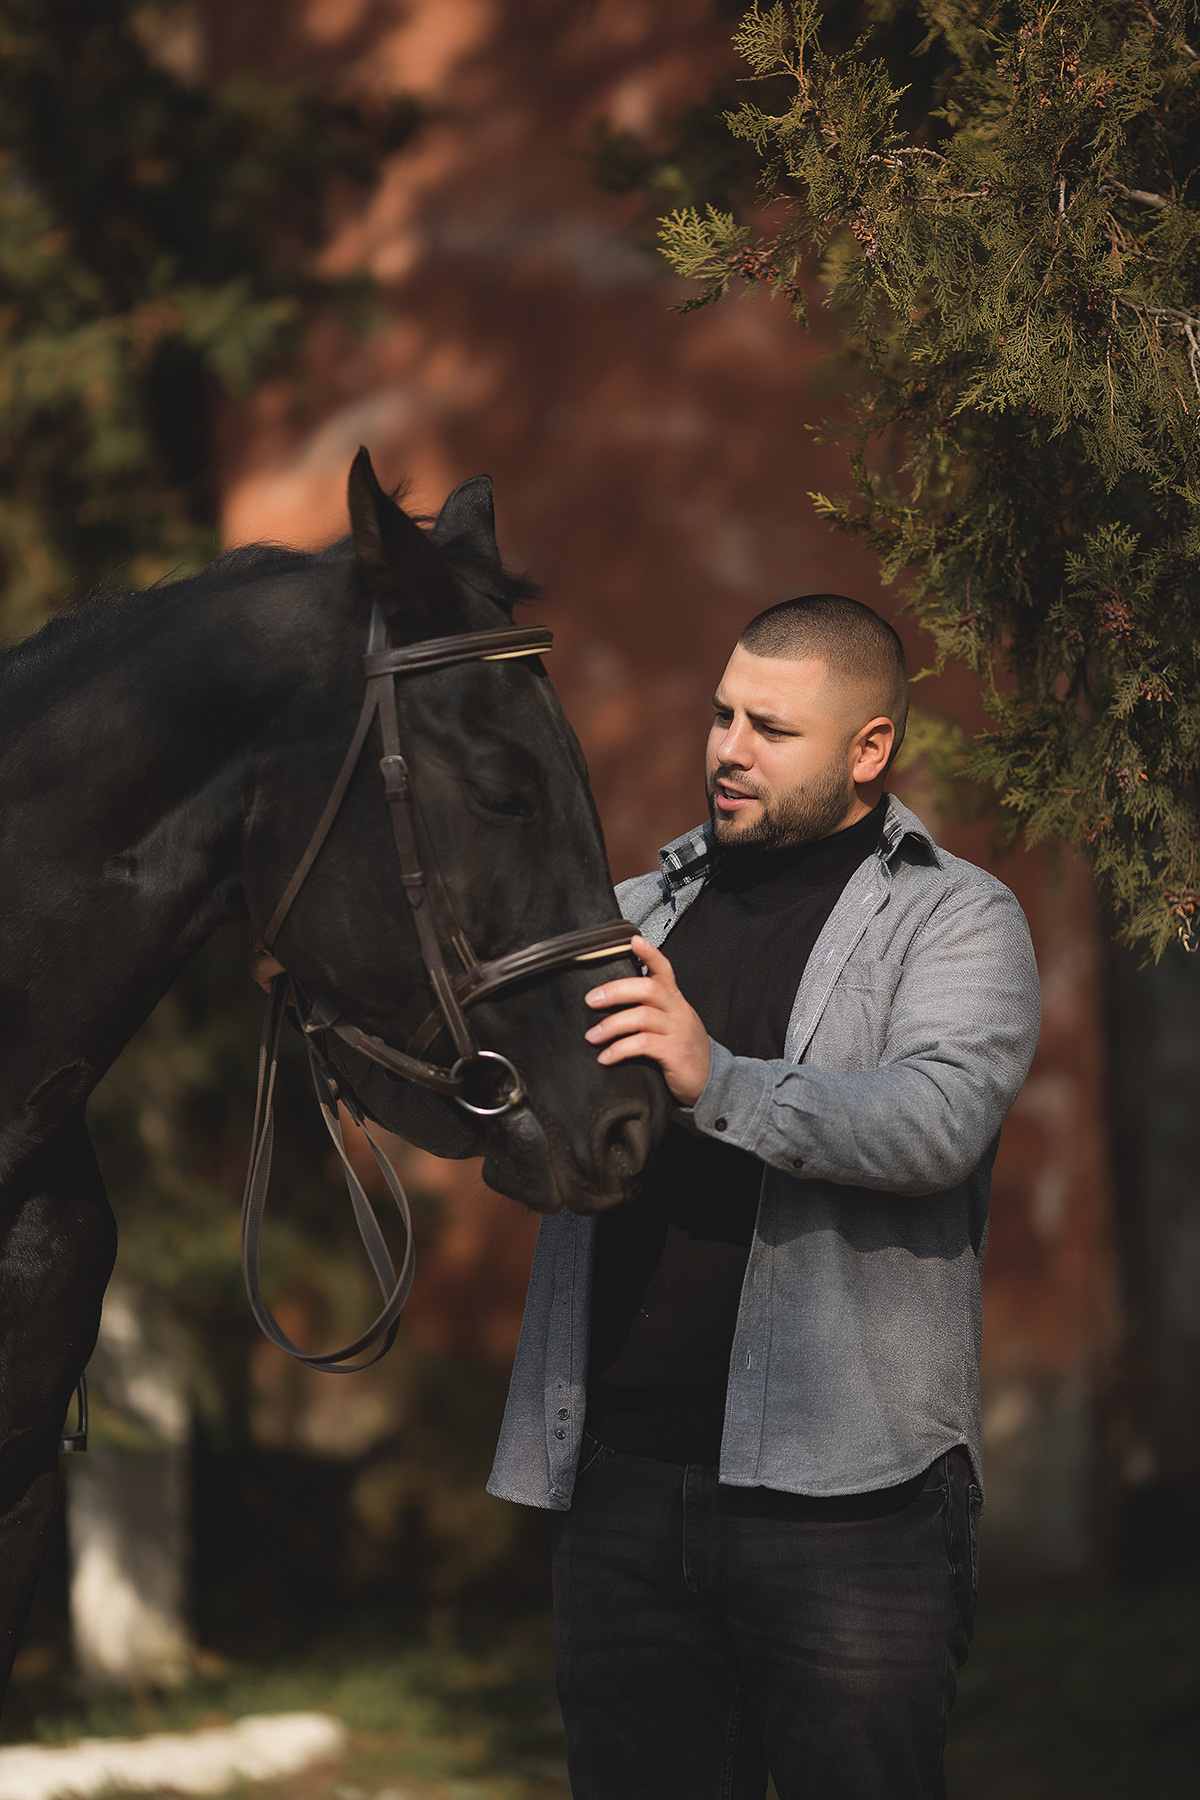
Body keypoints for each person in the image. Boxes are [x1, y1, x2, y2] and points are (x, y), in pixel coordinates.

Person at [486, 594, 1041, 1800]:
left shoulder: (956, 920)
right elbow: (539, 1155)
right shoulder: (629, 918)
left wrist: (713, 1078)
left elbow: (935, 1123)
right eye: (723, 714)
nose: (729, 748)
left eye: (772, 729)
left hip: (851, 1513)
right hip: (621, 1492)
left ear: (869, 751)